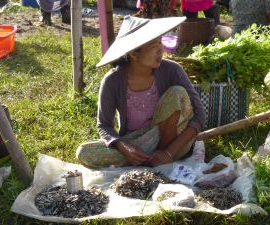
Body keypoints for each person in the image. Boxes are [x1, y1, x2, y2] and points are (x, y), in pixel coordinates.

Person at [76, 16, 206, 168]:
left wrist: (169, 152)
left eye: (160, 43)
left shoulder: (173, 70)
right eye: (153, 46)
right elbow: (104, 125)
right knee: (84, 152)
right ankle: (145, 160)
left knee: (177, 93)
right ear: (134, 54)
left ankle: (163, 158)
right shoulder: (112, 80)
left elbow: (199, 115)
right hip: (138, 143)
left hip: (173, 143)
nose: (161, 50)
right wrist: (124, 147)